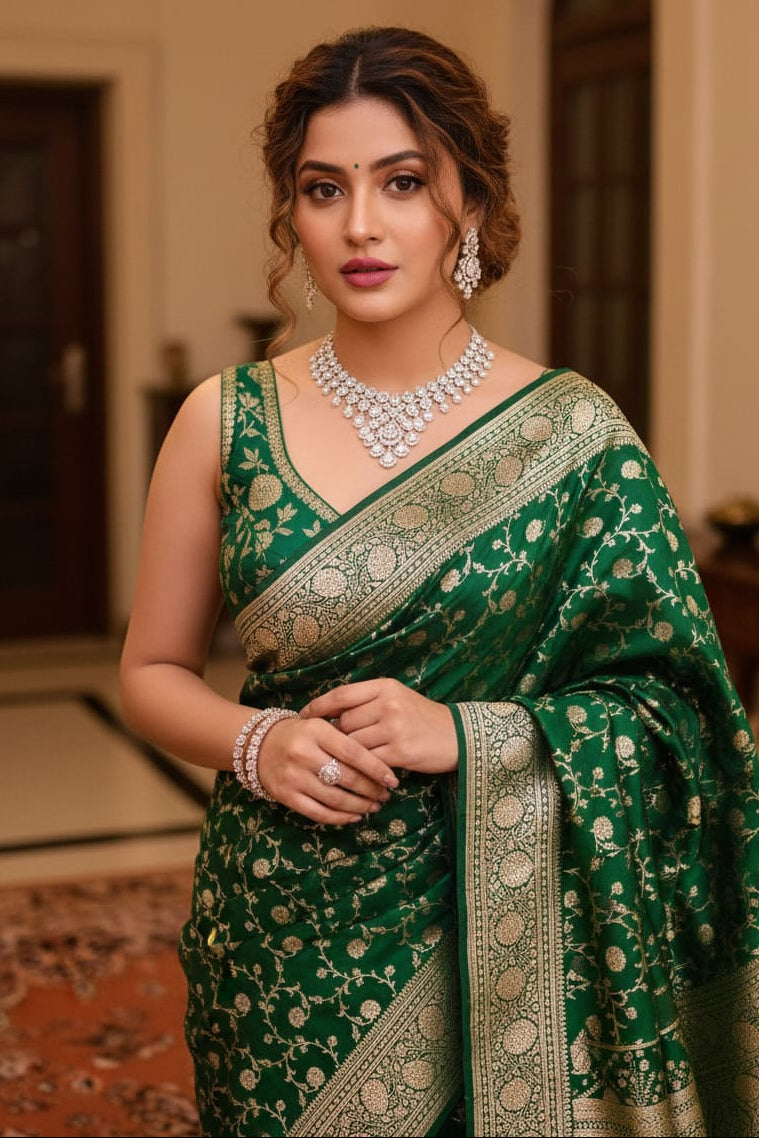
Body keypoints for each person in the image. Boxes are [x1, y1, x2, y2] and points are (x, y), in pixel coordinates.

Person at [119, 25, 759, 1138]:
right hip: (283, 928)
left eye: (402, 183)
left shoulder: (574, 435)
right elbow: (153, 670)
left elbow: (683, 718)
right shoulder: (224, 421)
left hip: (510, 940)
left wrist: (470, 734)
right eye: (325, 188)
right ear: (294, 213)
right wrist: (254, 743)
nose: (360, 224)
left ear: (469, 203)